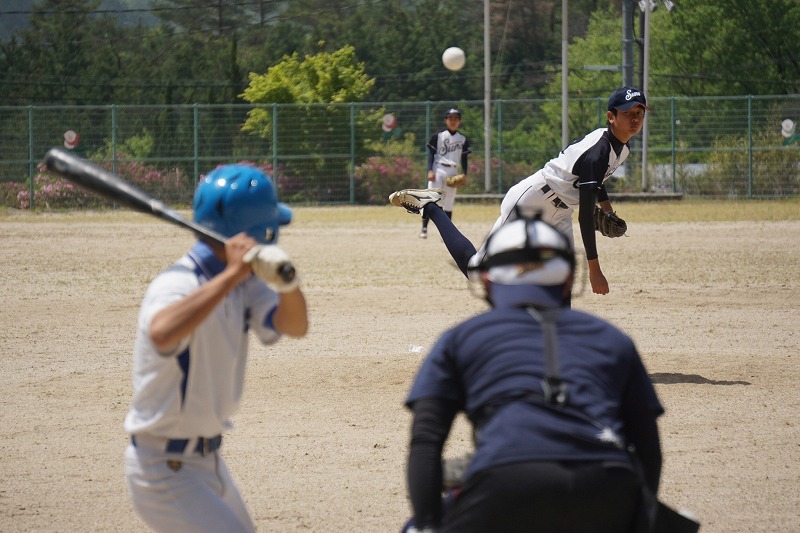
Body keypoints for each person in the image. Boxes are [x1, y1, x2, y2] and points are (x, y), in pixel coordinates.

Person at [402, 214, 664, 533]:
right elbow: (648, 446)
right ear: (568, 279)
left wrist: (427, 526)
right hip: (607, 483)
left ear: (486, 281)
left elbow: (426, 442)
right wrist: (642, 518)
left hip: (505, 481)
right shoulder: (613, 339)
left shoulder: (460, 338)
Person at [123, 164, 309, 532]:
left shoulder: (243, 284)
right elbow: (162, 332)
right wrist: (232, 275)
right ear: (255, 229)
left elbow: (295, 327)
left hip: (207, 461)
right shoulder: (177, 283)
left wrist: (287, 282)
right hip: (163, 469)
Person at [390, 86, 650, 294]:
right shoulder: (600, 150)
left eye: (639, 113)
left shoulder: (620, 147)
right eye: (628, 113)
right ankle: (432, 206)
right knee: (476, 271)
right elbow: (585, 215)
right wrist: (595, 269)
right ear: (611, 116)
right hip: (533, 200)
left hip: (560, 211)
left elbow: (597, 181)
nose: (635, 118)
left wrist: (607, 210)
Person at [419, 107, 471, 239]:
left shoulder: (462, 139)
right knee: (431, 199)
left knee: (448, 203)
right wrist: (430, 170)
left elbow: (464, 158)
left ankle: (446, 234)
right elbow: (431, 154)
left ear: (459, 121)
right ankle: (424, 228)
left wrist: (464, 173)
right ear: (446, 120)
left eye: (456, 119)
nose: (453, 121)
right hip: (438, 169)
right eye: (450, 118)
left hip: (453, 171)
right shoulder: (438, 136)